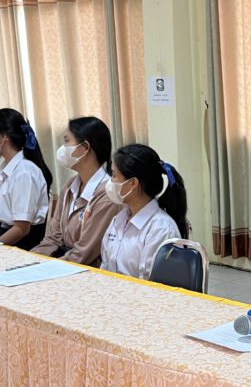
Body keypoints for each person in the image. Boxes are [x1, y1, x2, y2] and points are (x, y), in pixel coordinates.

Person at [31, 116, 120, 266]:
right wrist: (29, 261)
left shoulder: (107, 194)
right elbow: (53, 238)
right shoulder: (70, 186)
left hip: (87, 269)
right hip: (63, 262)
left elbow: (84, 253)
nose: (62, 148)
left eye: (66, 141)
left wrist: (45, 268)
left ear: (84, 148)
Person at [100, 143, 188, 280]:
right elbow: (105, 267)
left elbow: (151, 285)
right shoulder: (119, 219)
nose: (110, 181)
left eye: (114, 175)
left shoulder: (161, 229)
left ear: (132, 183)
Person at [0, 108, 51, 251]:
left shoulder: (24, 172)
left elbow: (21, 228)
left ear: (4, 137)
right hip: (2, 237)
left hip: (21, 243)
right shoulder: (4, 168)